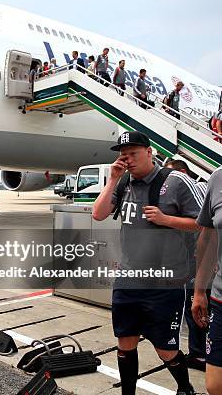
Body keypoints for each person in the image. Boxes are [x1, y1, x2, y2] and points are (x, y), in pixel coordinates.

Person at [92, 131, 202, 395]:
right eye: (123, 155)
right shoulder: (123, 182)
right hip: (129, 278)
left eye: (133, 153)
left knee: (165, 348)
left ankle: (185, 388)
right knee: (125, 342)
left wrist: (167, 220)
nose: (127, 159)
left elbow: (202, 224)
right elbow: (98, 214)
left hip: (166, 281)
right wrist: (113, 179)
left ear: (149, 152)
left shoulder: (176, 181)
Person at [165, 159, 208, 372]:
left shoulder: (196, 190)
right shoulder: (200, 189)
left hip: (198, 261)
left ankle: (199, 354)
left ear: (183, 173)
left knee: (196, 309)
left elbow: (202, 228)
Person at [192, 167, 222, 394]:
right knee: (215, 385)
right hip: (220, 300)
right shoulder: (218, 177)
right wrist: (199, 290)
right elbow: (208, 238)